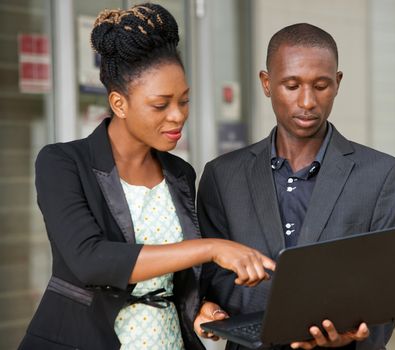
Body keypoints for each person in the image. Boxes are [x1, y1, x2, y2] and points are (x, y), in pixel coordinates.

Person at [18, 4, 274, 350]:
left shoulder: (180, 174)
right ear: (119, 103)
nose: (177, 115)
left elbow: (177, 279)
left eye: (184, 101)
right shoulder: (62, 163)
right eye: (160, 105)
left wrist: (202, 308)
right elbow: (90, 260)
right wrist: (211, 248)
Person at [195, 23, 395, 349]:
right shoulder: (222, 176)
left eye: (321, 85)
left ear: (337, 83)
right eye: (292, 85)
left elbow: (390, 288)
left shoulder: (382, 175)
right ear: (267, 84)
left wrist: (348, 334)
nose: (307, 101)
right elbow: (212, 278)